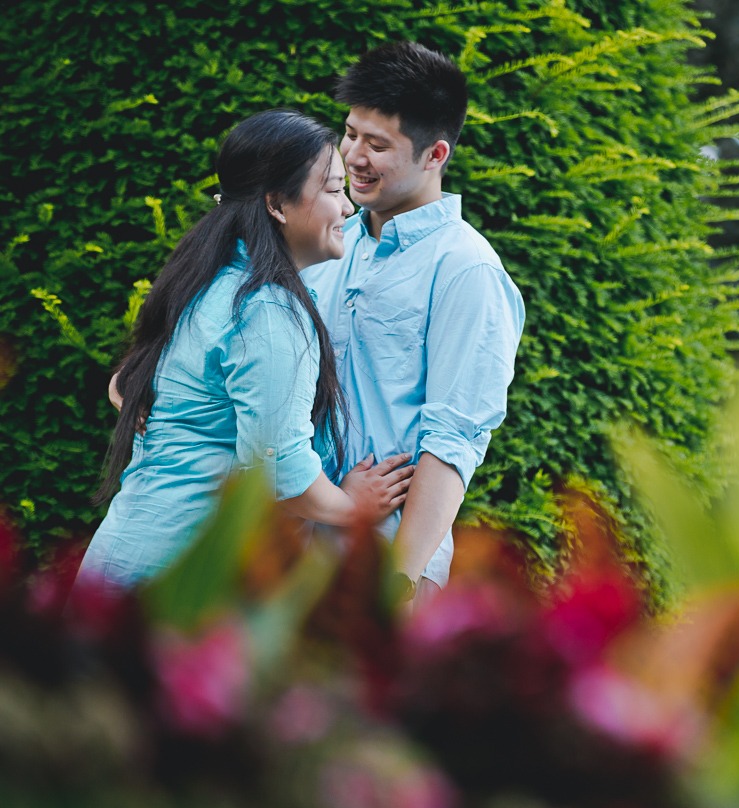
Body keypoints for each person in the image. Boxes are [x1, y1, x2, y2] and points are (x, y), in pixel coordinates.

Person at [82, 109, 415, 589]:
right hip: (179, 580)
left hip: (123, 558)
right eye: (333, 189)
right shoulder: (266, 311)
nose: (348, 208)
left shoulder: (205, 281)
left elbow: (130, 385)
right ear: (277, 204)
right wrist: (352, 506)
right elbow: (281, 472)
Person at [302, 41, 525, 607]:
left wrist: (397, 582)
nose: (353, 155)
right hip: (291, 552)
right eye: (350, 133)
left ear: (435, 154)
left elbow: (454, 441)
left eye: (378, 145)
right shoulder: (326, 240)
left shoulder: (466, 270)